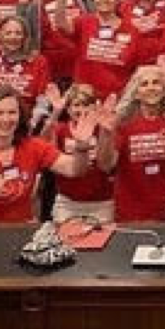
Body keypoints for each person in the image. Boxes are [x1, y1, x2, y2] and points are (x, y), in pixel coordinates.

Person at [0, 87, 99, 223]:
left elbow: (74, 170)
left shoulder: (34, 146)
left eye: (12, 113)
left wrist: (81, 147)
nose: (6, 119)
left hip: (18, 231)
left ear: (20, 116)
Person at [97, 64, 165, 222]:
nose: (151, 88)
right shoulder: (123, 123)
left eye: (156, 83)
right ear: (136, 94)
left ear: (164, 90)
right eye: (144, 84)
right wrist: (105, 133)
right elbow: (105, 165)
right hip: (130, 213)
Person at [47, 83, 118, 224]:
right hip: (67, 203)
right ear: (68, 109)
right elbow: (46, 153)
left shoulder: (104, 127)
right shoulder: (60, 129)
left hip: (102, 203)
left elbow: (107, 165)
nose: (81, 110)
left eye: (86, 105)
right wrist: (55, 113)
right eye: (76, 105)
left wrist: (105, 132)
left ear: (95, 108)